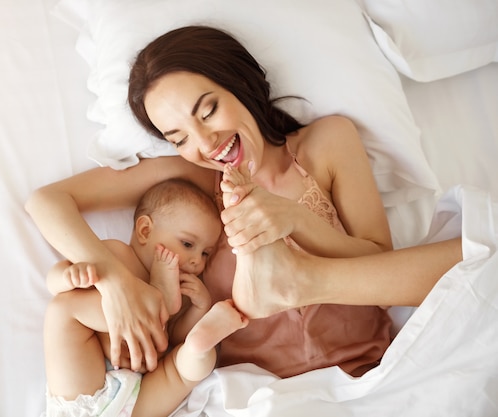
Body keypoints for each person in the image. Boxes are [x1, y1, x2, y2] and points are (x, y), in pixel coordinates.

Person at [25, 25, 463, 378]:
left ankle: (297, 279)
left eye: (208, 110)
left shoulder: (325, 143)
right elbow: (48, 200)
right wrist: (114, 281)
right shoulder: (191, 181)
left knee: (481, 250)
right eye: (178, 138)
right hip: (256, 392)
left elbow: (383, 271)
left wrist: (295, 220)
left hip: (369, 370)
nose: (204, 143)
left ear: (239, 83)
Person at [42, 178, 248, 417]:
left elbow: (175, 336)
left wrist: (198, 310)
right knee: (63, 309)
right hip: (88, 386)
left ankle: (199, 346)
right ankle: (156, 305)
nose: (196, 261)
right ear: (145, 231)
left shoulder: (184, 291)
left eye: (205, 253)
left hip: (140, 391)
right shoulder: (117, 255)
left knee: (188, 366)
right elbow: (53, 282)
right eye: (187, 244)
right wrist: (68, 276)